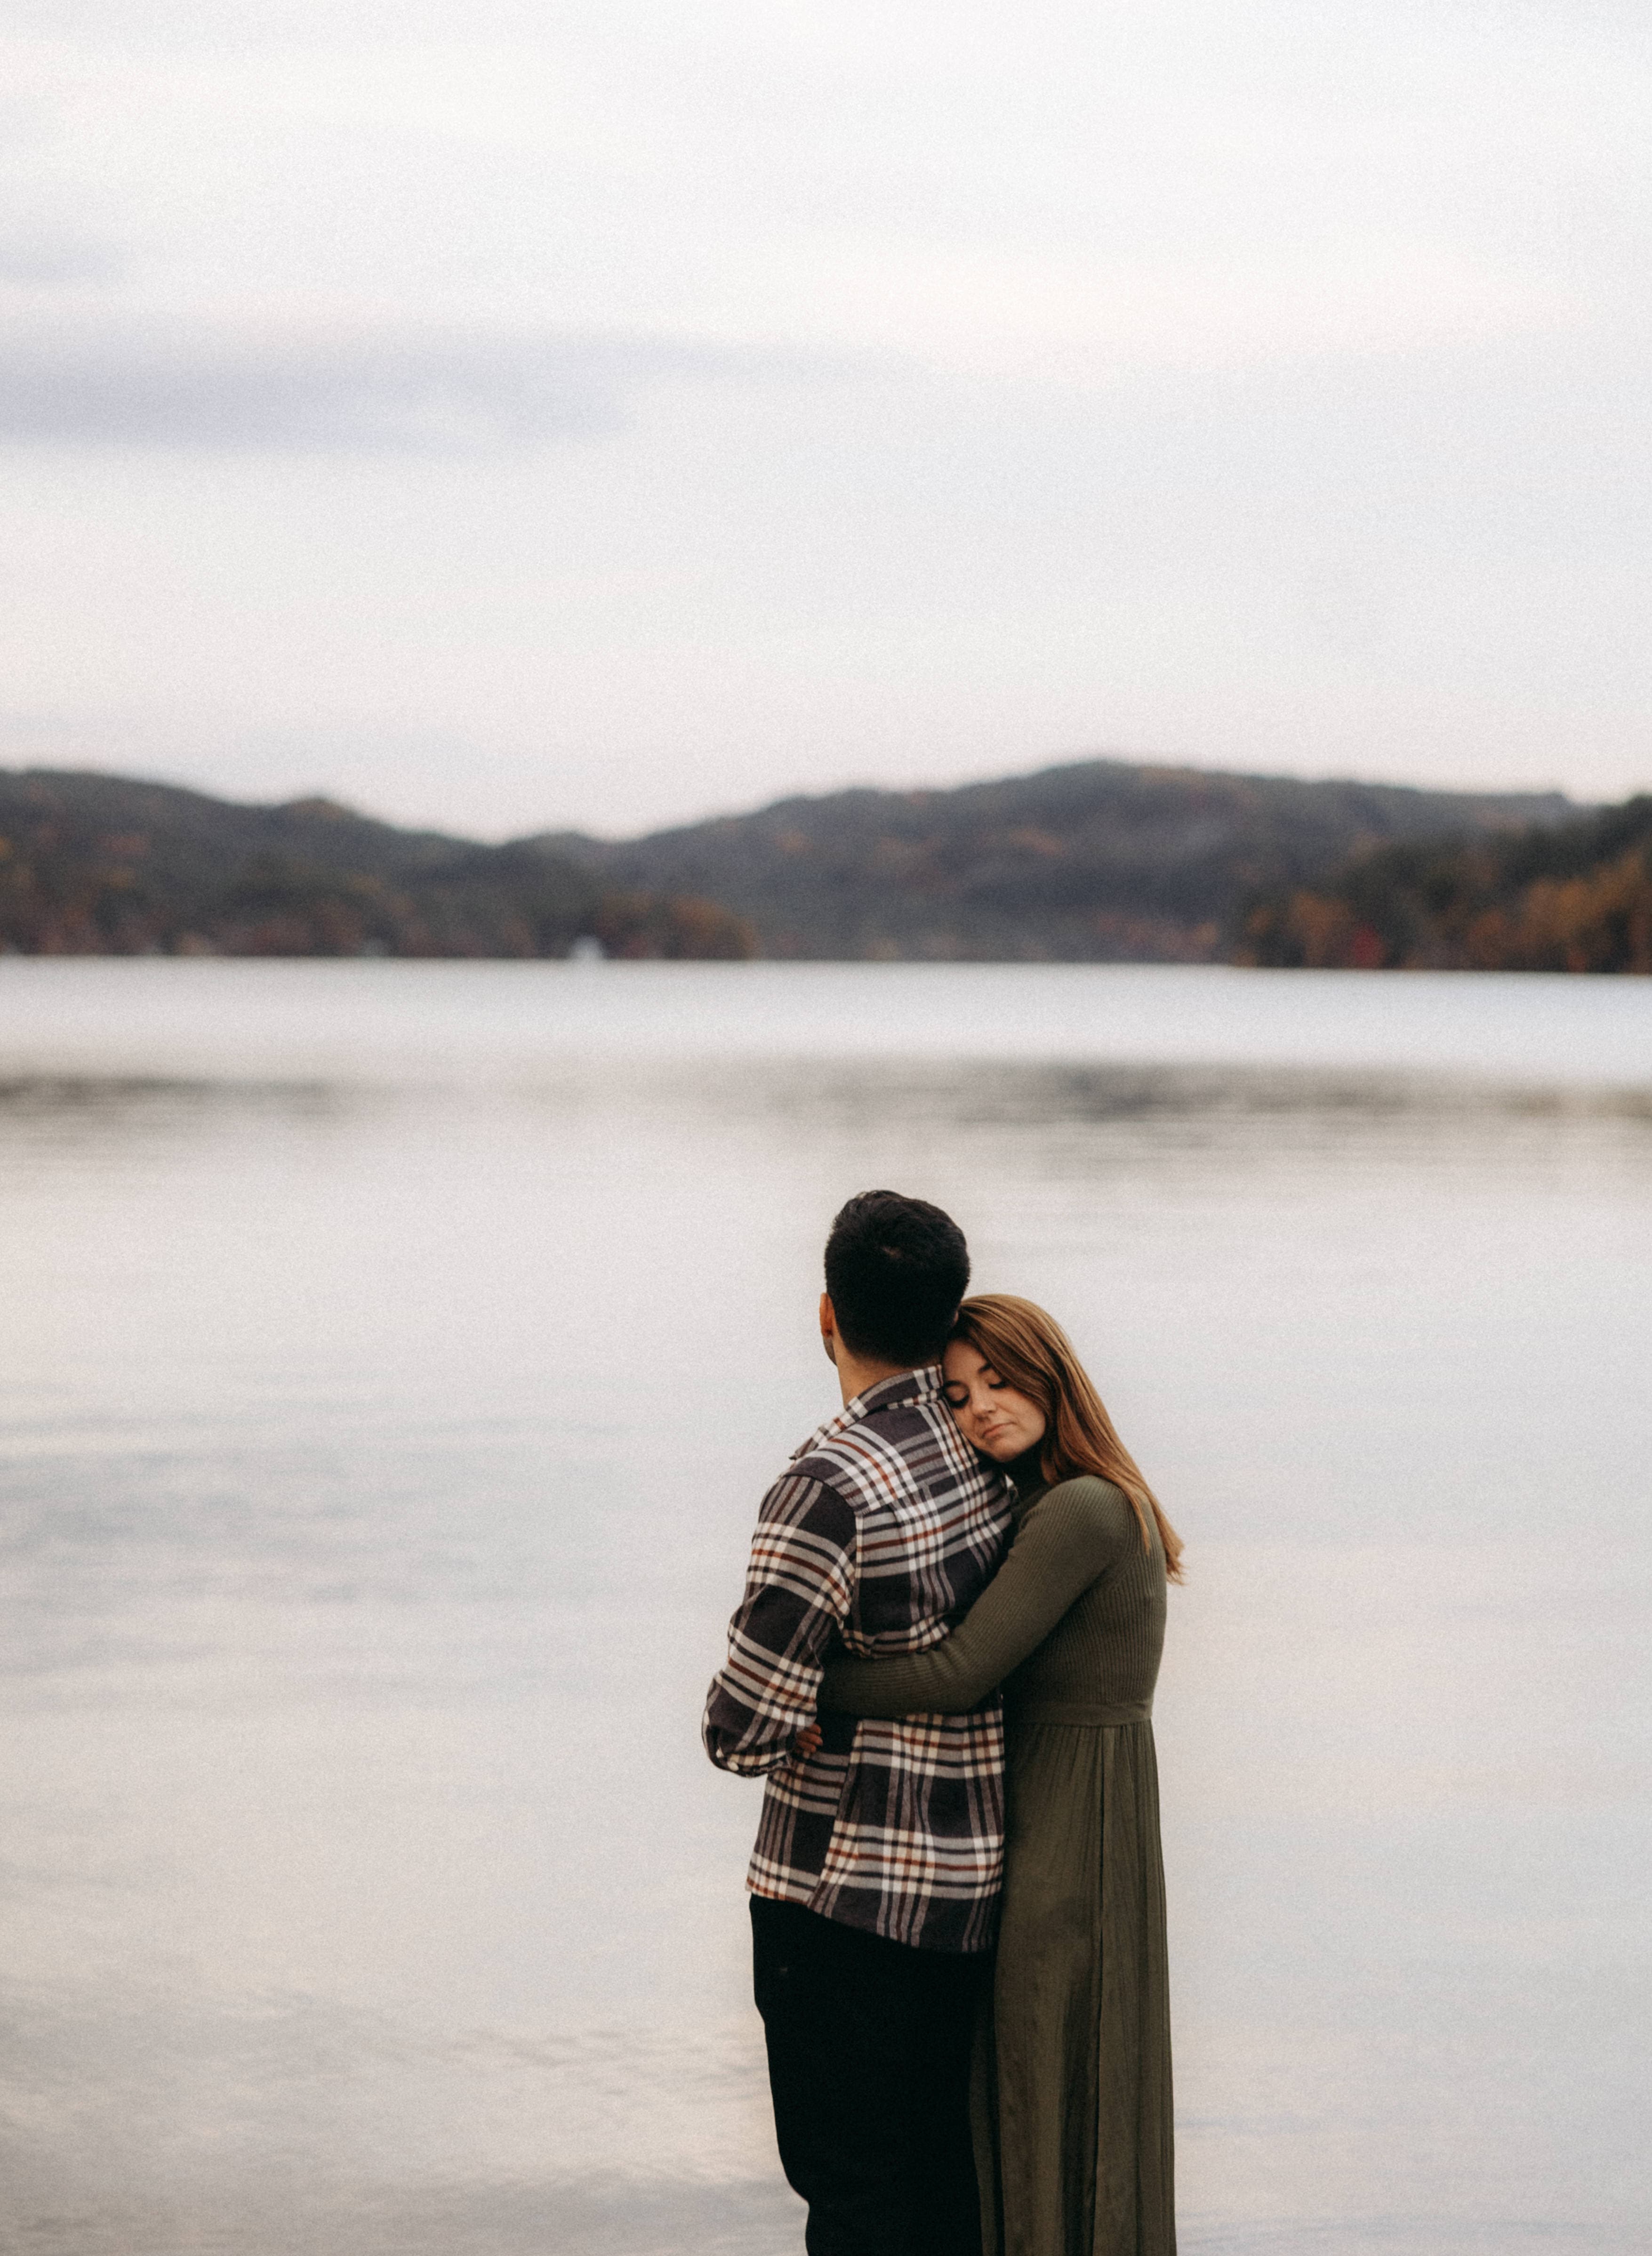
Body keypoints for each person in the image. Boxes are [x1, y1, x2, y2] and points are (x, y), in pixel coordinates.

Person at [816, 1294, 1183, 2256]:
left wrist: (811, 1687)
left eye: (1001, 1379)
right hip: (1079, 1817)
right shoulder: (1054, 1501)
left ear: (1051, 1373)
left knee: (1038, 2069)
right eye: (957, 1391)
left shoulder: (1083, 1509)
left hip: (1068, 1828)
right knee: (1054, 2076)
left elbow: (961, 1670)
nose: (981, 1407)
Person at [703, 1192, 1016, 2256]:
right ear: (949, 1312)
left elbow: (740, 1728)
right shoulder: (989, 1447)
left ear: (826, 1313)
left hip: (838, 1902)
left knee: (852, 2195)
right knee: (942, 2180)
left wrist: (803, 1704)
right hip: (969, 1886)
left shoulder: (828, 1487)